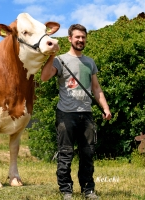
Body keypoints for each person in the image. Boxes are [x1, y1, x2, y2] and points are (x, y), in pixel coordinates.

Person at [41, 24, 112, 200]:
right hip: (66, 114)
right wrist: (51, 56)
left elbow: (96, 88)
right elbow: (44, 77)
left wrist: (105, 107)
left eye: (83, 37)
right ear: (70, 39)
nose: (80, 40)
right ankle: (66, 190)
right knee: (66, 153)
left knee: (88, 153)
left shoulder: (90, 62)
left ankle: (88, 190)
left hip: (86, 113)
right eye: (77, 37)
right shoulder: (60, 60)